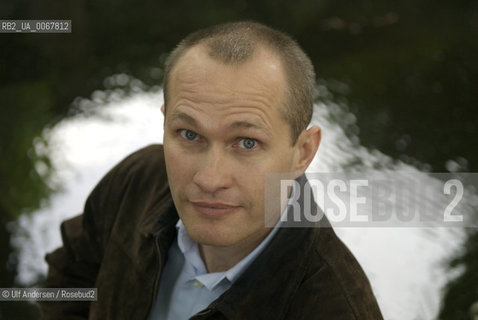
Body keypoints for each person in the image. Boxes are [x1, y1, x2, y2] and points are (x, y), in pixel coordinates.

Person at [39, 21, 383, 319]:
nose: (209, 179)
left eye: (246, 142)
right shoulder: (138, 179)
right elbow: (70, 273)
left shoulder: (337, 307)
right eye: (189, 135)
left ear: (303, 152)